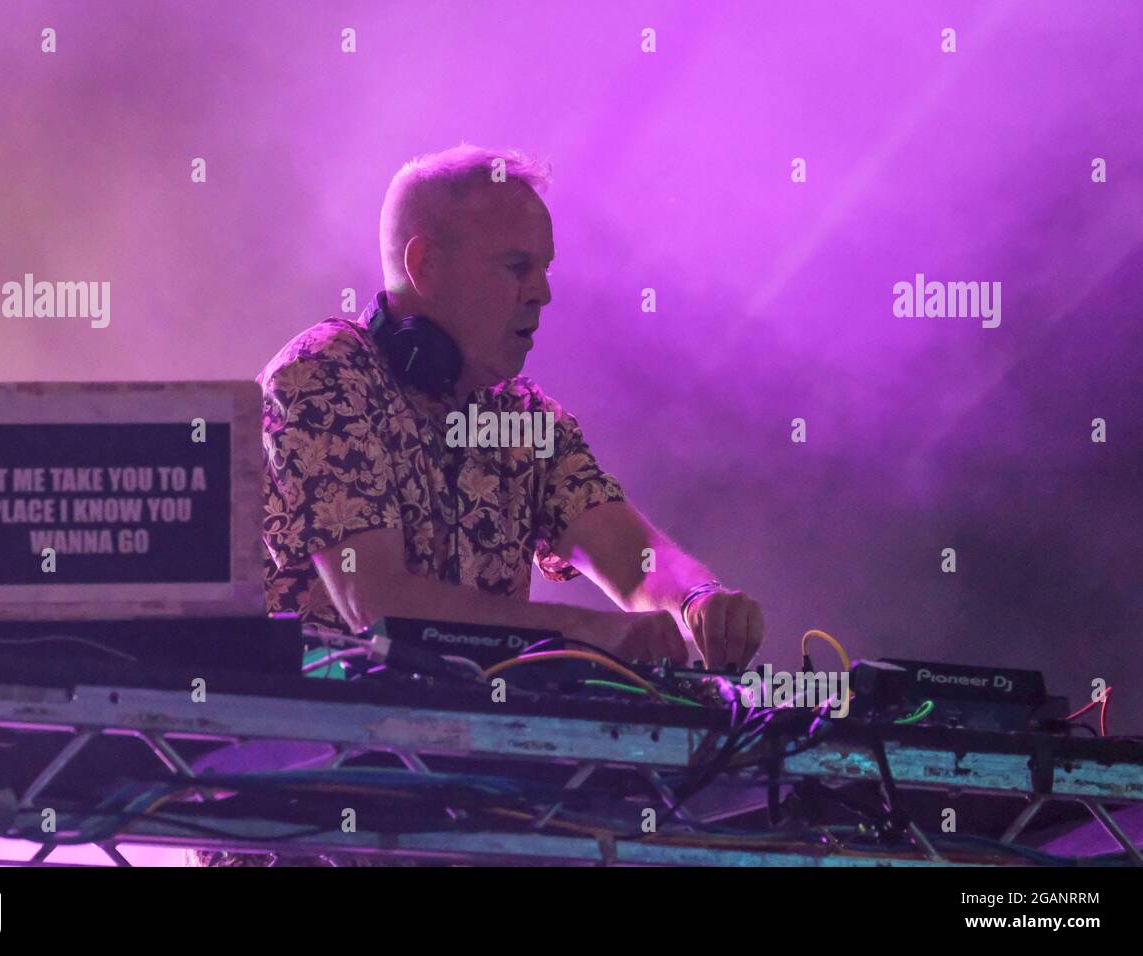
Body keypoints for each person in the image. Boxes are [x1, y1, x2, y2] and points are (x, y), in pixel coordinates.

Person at [191, 144, 764, 866]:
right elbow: (379, 602)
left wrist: (697, 600)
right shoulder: (322, 378)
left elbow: (630, 555)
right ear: (425, 266)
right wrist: (586, 638)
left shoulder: (524, 416)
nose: (543, 293)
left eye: (545, 270)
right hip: (306, 831)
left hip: (458, 822)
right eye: (517, 267)